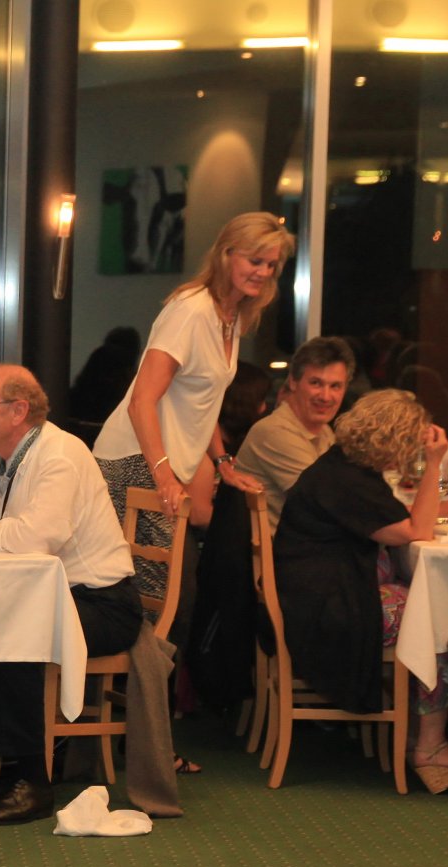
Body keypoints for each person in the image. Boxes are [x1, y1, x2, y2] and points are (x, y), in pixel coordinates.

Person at [0, 366, 143, 824]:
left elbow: (39, 538)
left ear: (18, 411)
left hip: (102, 604)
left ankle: (30, 780)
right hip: (44, 596)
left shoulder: (62, 455)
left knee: (16, 630)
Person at [274, 390, 448, 794]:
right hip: (328, 608)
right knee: (438, 616)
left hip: (311, 594)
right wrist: (434, 464)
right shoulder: (348, 481)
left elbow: (401, 520)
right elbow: (416, 530)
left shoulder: (343, 468)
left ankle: (416, 731)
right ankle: (430, 746)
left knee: (423, 599)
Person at [91, 212, 289, 609]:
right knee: (161, 601)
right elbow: (141, 401)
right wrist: (163, 475)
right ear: (226, 254)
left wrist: (222, 461)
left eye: (271, 265)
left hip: (162, 466)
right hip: (134, 461)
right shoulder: (192, 310)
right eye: (255, 260)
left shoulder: (230, 316)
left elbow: (204, 400)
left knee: (172, 600)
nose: (263, 272)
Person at [235, 337, 353, 530]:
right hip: (283, 548)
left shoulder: (324, 431)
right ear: (293, 382)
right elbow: (326, 503)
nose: (325, 396)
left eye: (335, 386)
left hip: (313, 542)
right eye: (316, 383)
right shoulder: (275, 431)